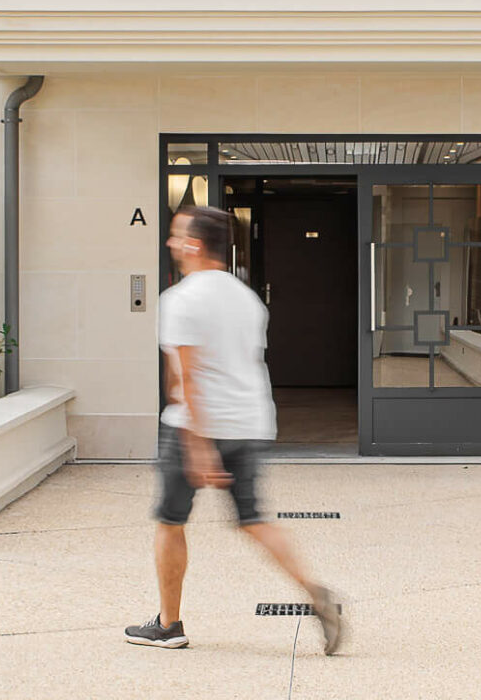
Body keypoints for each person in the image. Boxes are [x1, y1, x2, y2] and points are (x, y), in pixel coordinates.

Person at [126, 203, 346, 655]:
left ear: (193, 244)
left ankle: (169, 624)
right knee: (254, 520)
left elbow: (185, 381)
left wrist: (199, 446)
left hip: (196, 427)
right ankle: (316, 592)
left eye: (175, 235)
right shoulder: (247, 298)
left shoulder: (181, 299)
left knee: (169, 522)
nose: (169, 243)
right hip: (250, 422)